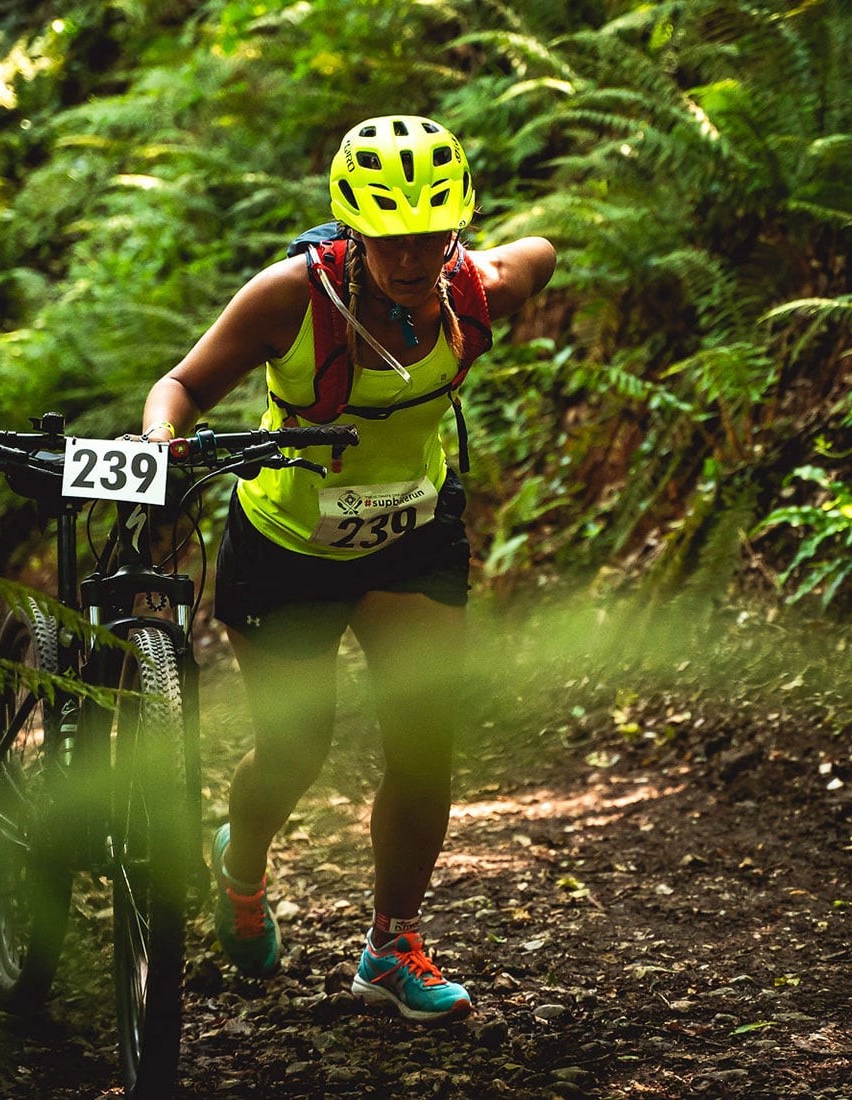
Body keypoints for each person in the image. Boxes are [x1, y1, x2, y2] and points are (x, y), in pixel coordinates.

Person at [142, 115, 555, 1022]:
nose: (412, 256)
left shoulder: (474, 285)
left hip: (412, 536)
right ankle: (241, 864)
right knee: (298, 746)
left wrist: (471, 261)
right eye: (389, 238)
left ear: (457, 225)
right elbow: (179, 386)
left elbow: (542, 250)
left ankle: (390, 945)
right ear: (352, 228)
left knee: (423, 745)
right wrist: (164, 444)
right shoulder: (289, 298)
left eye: (431, 235)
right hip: (287, 545)